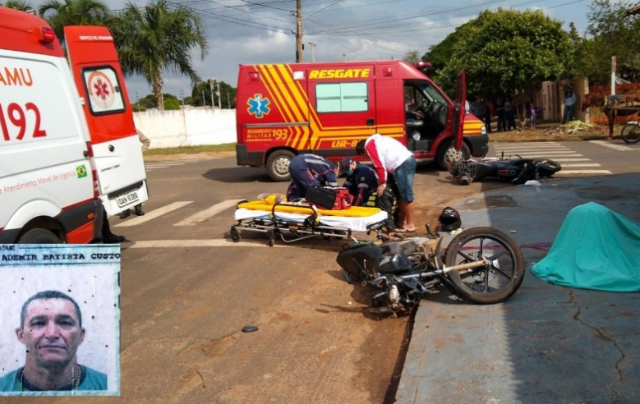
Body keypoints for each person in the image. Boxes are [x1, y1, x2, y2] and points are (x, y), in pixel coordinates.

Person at [0, 290, 108, 392]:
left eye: (65, 323)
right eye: (39, 323)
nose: (52, 334)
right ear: (21, 335)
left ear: (81, 335)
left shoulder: (107, 386)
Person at [356, 134, 417, 232]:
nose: (367, 157)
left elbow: (379, 165)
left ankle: (410, 224)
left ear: (363, 150)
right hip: (405, 161)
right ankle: (402, 222)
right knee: (401, 195)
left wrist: (382, 184)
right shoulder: (377, 141)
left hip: (402, 163)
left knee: (406, 195)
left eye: (364, 155)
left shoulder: (369, 146)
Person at [340, 156, 397, 235]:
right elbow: (344, 189)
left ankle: (390, 229)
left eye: (347, 169)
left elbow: (361, 192)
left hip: (379, 197)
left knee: (382, 196)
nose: (347, 171)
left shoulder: (363, 171)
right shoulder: (353, 172)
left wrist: (353, 209)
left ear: (353, 163)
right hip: (368, 196)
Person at [121, 129, 150, 218]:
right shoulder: (113, 133)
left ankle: (138, 208)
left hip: (135, 161)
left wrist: (139, 151)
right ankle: (125, 210)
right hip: (121, 162)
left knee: (137, 185)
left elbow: (146, 141)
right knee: (122, 186)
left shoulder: (134, 131)